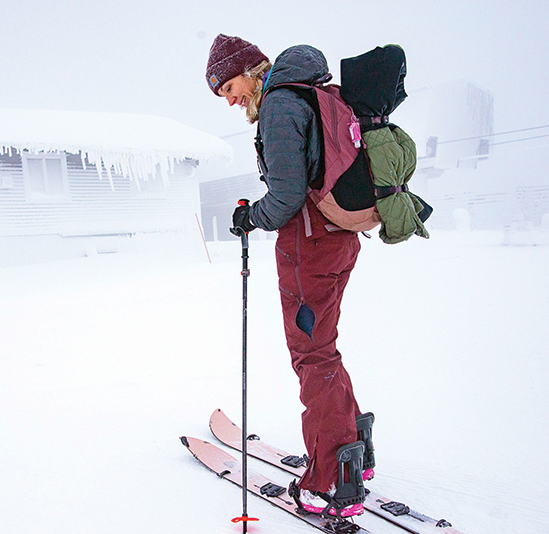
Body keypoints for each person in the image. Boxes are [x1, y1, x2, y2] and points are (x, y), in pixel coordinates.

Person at [205, 34, 373, 518]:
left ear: (251, 69)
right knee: (325, 348)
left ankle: (331, 481)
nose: (232, 99)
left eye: (231, 86)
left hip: (310, 247)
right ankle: (354, 452)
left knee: (312, 355)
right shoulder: (313, 90)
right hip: (339, 238)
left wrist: (249, 217)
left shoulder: (279, 103)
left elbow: (284, 198)